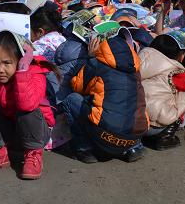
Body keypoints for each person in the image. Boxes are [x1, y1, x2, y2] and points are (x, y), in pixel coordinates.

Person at [0, 31, 56, 180]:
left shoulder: (34, 72)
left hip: (36, 133)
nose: (0, 70)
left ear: (20, 60)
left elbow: (27, 105)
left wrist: (23, 70)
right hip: (11, 133)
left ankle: (33, 155)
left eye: (7, 63)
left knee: (26, 109)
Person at [60, 32, 148, 164]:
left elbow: (77, 86)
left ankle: (85, 149)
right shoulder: (135, 70)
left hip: (107, 135)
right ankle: (134, 148)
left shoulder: (97, 64)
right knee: (131, 105)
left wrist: (90, 58)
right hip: (134, 136)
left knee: (71, 99)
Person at [139, 32, 185, 150]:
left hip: (132, 124)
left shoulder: (138, 61)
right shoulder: (174, 72)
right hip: (154, 127)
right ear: (180, 55)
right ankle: (165, 137)